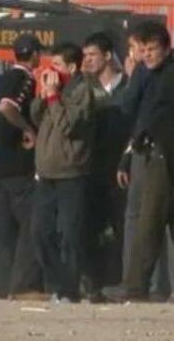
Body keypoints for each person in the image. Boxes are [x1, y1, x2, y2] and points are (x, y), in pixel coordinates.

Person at [106, 22, 174, 302]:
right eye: (142, 50)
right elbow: (130, 107)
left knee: (149, 219)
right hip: (152, 149)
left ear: (167, 48)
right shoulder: (150, 73)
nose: (147, 55)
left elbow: (143, 112)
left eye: (153, 49)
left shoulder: (166, 75)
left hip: (163, 151)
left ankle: (135, 285)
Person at [0, 33, 43, 298]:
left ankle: (5, 286)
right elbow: (6, 107)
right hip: (19, 164)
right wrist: (28, 130)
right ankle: (24, 285)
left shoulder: (1, 79)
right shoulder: (25, 79)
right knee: (31, 223)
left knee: (4, 229)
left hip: (0, 167)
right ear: (35, 54)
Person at [30, 42, 95, 304]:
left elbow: (69, 125)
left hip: (71, 173)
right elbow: (36, 117)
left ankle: (70, 289)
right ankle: (58, 284)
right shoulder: (52, 90)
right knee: (40, 232)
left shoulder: (83, 91)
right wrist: (43, 94)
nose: (52, 70)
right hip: (46, 173)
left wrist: (56, 96)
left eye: (57, 65)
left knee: (69, 234)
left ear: (71, 66)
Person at [82, 32, 130, 297]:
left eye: (92, 55)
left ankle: (121, 279)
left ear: (108, 56)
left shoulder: (129, 86)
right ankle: (94, 283)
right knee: (92, 227)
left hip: (122, 168)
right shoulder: (85, 89)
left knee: (123, 225)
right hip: (92, 169)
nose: (87, 61)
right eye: (85, 56)